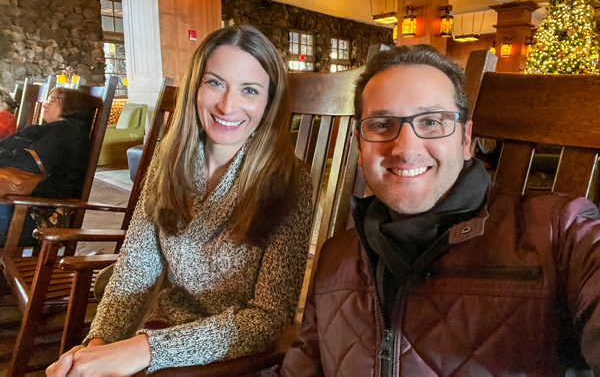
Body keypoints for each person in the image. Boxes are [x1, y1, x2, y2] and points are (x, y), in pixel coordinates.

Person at [278, 45, 600, 376]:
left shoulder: (558, 233)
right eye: (382, 125)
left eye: (431, 121)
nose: (405, 148)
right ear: (360, 146)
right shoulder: (336, 258)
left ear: (465, 140)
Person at [47, 25, 313, 376]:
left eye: (249, 90)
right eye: (215, 82)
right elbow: (136, 268)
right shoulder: (167, 159)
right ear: (195, 87)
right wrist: (100, 345)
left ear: (269, 102)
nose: (227, 105)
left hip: (233, 357)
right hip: (158, 328)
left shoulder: (291, 182)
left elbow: (267, 320)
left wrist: (144, 349)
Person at [0, 86, 97, 247]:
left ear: (72, 105)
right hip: (21, 206)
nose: (45, 105)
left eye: (52, 100)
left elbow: (24, 163)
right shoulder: (50, 130)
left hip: (36, 217)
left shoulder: (68, 131)